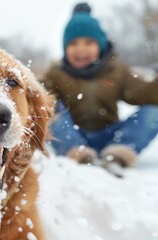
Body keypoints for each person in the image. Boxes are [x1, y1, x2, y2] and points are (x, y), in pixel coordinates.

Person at [42, 2, 158, 177]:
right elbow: (40, 96)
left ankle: (117, 156)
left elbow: (146, 94)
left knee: (153, 112)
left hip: (110, 135)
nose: (81, 49)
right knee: (51, 110)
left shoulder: (118, 71)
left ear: (101, 45)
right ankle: (79, 157)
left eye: (89, 42)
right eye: (73, 43)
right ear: (65, 48)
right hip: (73, 135)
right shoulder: (57, 74)